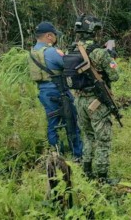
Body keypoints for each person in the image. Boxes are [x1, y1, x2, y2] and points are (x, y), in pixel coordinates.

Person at [70, 14, 120, 183]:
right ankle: (102, 177)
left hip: (79, 100)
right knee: (103, 139)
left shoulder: (73, 49)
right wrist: (111, 57)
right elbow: (115, 76)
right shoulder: (100, 52)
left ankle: (87, 171)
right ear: (93, 30)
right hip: (96, 102)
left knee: (88, 136)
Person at [28, 21, 83, 160]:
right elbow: (70, 64)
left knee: (52, 123)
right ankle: (78, 154)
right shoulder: (51, 52)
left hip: (44, 92)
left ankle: (55, 154)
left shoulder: (33, 52)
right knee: (72, 120)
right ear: (49, 36)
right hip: (59, 91)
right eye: (54, 35)